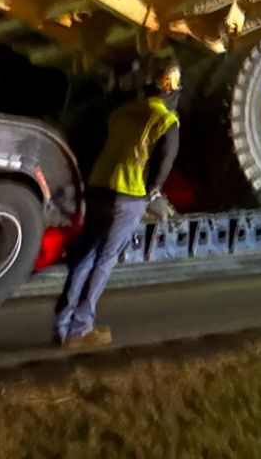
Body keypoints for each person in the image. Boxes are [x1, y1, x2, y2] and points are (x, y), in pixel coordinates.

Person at [52, 62, 182, 350]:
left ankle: (62, 325)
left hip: (98, 188)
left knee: (85, 255)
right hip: (127, 196)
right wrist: (151, 195)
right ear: (171, 91)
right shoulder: (167, 122)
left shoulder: (122, 112)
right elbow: (164, 163)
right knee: (105, 259)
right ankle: (81, 328)